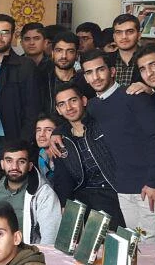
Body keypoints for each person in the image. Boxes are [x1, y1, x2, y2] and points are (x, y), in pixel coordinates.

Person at [78, 50, 155, 238]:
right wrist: (56, 134)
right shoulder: (93, 106)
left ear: (112, 71)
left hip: (148, 187)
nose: (96, 77)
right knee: (133, 243)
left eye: (100, 70)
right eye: (89, 72)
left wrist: (154, 181)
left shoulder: (134, 95)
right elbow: (74, 123)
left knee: (151, 243)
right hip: (122, 188)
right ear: (85, 77)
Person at [49, 84, 123, 225]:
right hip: (85, 197)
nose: (69, 108)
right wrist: (64, 204)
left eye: (73, 100)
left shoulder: (102, 124)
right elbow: (63, 178)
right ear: (58, 110)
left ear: (83, 101)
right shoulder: (61, 140)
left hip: (114, 191)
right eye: (62, 104)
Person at [0, 140, 61, 246]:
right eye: (9, 161)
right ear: (2, 164)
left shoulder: (43, 193)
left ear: (30, 166)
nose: (14, 167)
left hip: (25, 252)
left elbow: (50, 237)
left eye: (21, 162)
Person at [0, 13, 41, 175]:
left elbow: (32, 108)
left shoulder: (25, 66)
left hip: (11, 141)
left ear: (13, 36)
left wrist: (23, 142)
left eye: (5, 32)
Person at [41, 31, 95, 105]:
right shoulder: (41, 79)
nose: (64, 56)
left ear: (77, 55)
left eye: (70, 51)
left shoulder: (85, 81)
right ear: (53, 53)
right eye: (59, 50)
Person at [109, 13, 142, 86]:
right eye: (119, 32)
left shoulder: (149, 59)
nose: (124, 36)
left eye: (130, 31)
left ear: (139, 35)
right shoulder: (106, 59)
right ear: (114, 37)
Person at [33, 115, 57, 182]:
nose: (41, 134)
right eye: (38, 130)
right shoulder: (41, 153)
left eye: (49, 130)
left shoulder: (66, 155)